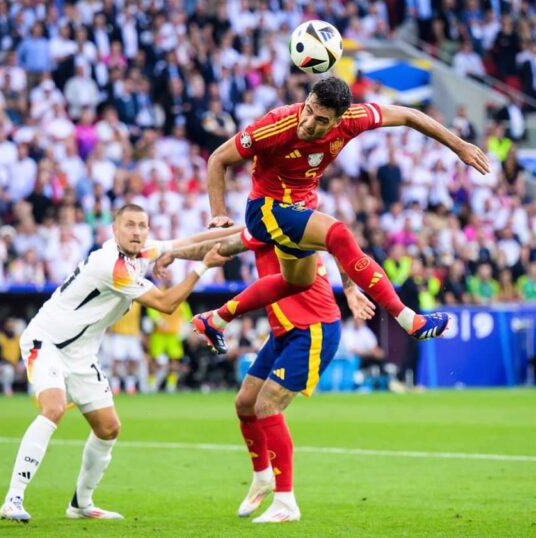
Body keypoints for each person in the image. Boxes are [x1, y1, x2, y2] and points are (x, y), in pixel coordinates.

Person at [192, 77, 490, 353]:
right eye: (308, 110)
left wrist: (459, 146)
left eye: (321, 120)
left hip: (300, 208)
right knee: (338, 233)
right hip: (267, 208)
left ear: (338, 120)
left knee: (297, 281)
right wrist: (218, 212)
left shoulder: (353, 120)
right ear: (307, 99)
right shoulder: (275, 125)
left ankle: (216, 319)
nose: (308, 122)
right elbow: (218, 158)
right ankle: (408, 319)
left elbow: (410, 115)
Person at [0, 204, 233, 523]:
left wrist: (249, 231)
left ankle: (81, 504)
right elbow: (166, 304)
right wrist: (203, 267)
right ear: (115, 230)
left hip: (80, 353)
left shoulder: (140, 252)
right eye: (130, 225)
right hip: (47, 342)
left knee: (108, 428)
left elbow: (187, 242)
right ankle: (13, 499)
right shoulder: (111, 265)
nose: (137, 231)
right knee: (53, 409)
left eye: (142, 226)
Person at [154, 227, 375, 523]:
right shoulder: (264, 224)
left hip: (313, 328)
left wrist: (349, 288)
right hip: (284, 330)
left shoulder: (288, 222)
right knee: (245, 403)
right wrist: (173, 252)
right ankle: (262, 477)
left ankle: (286, 502)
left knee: (267, 405)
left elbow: (340, 245)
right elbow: (219, 246)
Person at [146, 275, 192, 393]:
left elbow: (186, 315)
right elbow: (151, 308)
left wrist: (187, 328)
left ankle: (171, 385)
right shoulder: (158, 293)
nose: (169, 281)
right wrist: (158, 321)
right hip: (159, 334)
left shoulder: (178, 296)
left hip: (173, 335)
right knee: (154, 359)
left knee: (174, 360)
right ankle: (151, 384)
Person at [103, 302, 144, 395]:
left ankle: (130, 385)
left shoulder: (138, 303)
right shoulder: (118, 301)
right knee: (117, 360)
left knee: (133, 361)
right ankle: (115, 386)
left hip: (133, 335)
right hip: (119, 334)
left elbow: (141, 317)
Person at [0, 317, 25, 397]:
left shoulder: (19, 337)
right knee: (9, 370)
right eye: (9, 322)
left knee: (30, 368)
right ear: (6, 324)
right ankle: (7, 390)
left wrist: (18, 364)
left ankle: (32, 392)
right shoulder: (0, 337)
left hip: (17, 363)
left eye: (13, 322)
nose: (11, 324)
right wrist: (13, 364)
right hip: (2, 364)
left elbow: (22, 354)